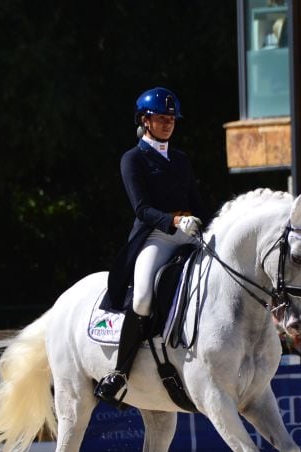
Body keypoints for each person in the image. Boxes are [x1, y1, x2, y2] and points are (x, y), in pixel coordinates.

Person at [97, 87, 208, 407]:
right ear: (145, 121)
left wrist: (207, 224)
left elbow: (197, 202)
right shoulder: (133, 159)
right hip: (156, 236)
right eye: (161, 118)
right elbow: (141, 208)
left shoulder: (181, 160)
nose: (168, 123)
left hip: (190, 232)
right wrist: (174, 223)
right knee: (144, 296)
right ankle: (119, 372)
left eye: (172, 118)